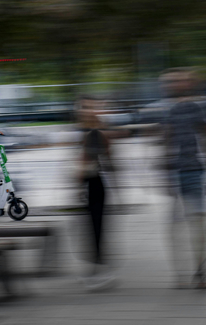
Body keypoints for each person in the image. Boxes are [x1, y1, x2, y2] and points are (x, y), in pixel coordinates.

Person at [160, 68, 206, 289]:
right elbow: (166, 140)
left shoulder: (202, 106)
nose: (173, 86)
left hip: (196, 171)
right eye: (170, 82)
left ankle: (200, 270)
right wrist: (165, 175)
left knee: (200, 224)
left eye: (179, 81)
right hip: (176, 172)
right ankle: (181, 273)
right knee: (176, 227)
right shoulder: (167, 109)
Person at [76, 97, 117, 291]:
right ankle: (97, 269)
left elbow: (104, 160)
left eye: (90, 107)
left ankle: (99, 271)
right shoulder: (86, 131)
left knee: (96, 228)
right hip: (89, 184)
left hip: (95, 184)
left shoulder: (95, 132)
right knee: (91, 229)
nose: (87, 111)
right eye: (84, 107)